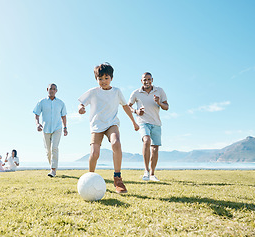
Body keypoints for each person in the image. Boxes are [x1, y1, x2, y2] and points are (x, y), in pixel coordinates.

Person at [78, 62, 139, 194]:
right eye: (100, 79)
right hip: (96, 125)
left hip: (112, 123)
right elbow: (81, 103)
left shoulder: (116, 91)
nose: (103, 81)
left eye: (106, 78)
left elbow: (125, 106)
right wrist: (81, 108)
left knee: (116, 143)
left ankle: (118, 179)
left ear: (111, 78)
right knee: (95, 154)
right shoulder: (93, 92)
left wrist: (134, 122)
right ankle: (89, 178)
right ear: (96, 79)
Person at [128, 72, 169, 181]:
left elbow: (166, 107)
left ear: (152, 80)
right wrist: (136, 111)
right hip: (143, 122)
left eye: (149, 79)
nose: (147, 81)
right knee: (146, 140)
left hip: (156, 123)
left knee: (155, 149)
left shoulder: (159, 91)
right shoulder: (136, 93)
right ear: (141, 81)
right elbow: (128, 107)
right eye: (144, 79)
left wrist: (159, 102)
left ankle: (152, 174)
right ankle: (146, 171)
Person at [33, 83, 68, 177]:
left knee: (54, 148)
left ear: (56, 91)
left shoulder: (61, 103)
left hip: (57, 128)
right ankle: (53, 167)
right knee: (48, 151)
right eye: (50, 89)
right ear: (47, 89)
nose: (52, 90)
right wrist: (37, 124)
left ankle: (53, 170)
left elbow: (63, 116)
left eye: (54, 89)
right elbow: (36, 114)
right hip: (45, 129)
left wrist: (65, 128)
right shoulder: (42, 102)